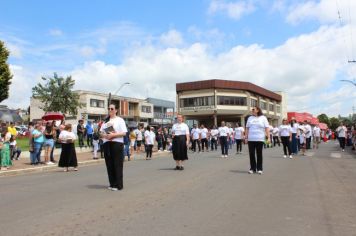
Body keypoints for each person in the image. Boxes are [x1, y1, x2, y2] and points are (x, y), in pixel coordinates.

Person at [100, 104, 127, 191]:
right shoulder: (105, 121)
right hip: (107, 143)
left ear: (116, 110)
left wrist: (113, 135)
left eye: (112, 108)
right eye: (109, 108)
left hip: (117, 144)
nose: (110, 110)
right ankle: (112, 183)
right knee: (109, 165)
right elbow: (100, 133)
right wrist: (105, 136)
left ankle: (118, 185)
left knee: (117, 164)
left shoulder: (120, 120)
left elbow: (124, 133)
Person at [245, 106, 270, 174]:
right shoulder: (250, 118)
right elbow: (247, 128)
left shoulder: (263, 118)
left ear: (258, 110)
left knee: (259, 154)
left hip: (260, 138)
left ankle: (259, 168)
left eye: (253, 109)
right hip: (251, 139)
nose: (252, 110)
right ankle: (252, 168)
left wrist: (268, 138)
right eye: (252, 109)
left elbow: (267, 128)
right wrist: (246, 137)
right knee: (252, 154)